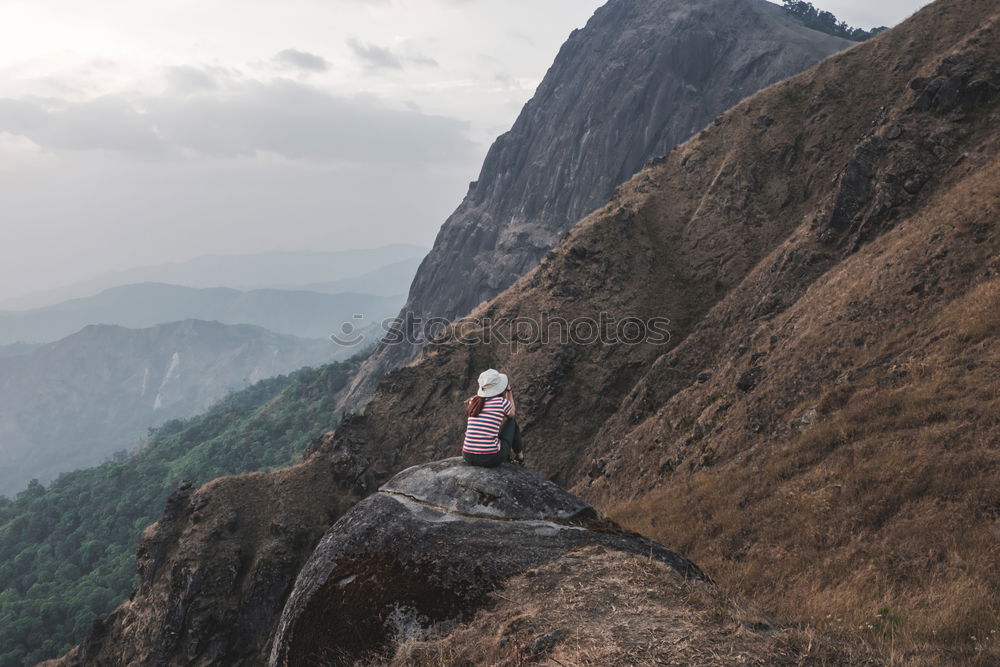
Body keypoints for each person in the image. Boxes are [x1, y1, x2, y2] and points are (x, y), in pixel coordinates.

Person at [462, 368, 525, 468]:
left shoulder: (473, 401)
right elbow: (512, 414)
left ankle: (516, 456)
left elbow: (481, 398)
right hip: (490, 458)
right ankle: (520, 456)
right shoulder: (501, 402)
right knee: (512, 422)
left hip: (468, 455)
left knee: (492, 431)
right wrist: (509, 391)